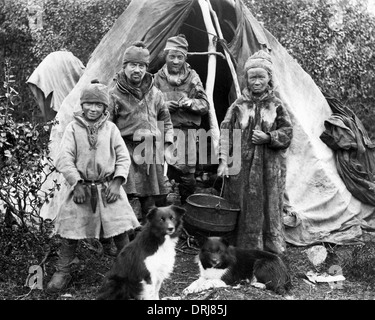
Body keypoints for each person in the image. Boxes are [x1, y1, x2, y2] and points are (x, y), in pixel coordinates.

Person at [46, 79, 140, 294]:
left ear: (105, 108)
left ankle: (126, 274)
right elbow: (64, 158)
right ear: (82, 105)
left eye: (99, 105)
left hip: (109, 187)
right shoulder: (72, 128)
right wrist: (76, 183)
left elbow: (123, 158)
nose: (93, 109)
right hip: (82, 188)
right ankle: (63, 271)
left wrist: (117, 182)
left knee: (120, 229)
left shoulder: (111, 129)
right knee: (70, 232)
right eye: (89, 104)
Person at [217, 50, 293, 254]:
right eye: (253, 77)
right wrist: (224, 161)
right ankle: (243, 247)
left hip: (269, 168)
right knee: (241, 204)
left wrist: (269, 138)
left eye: (261, 77)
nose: (257, 81)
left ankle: (270, 246)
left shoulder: (276, 105)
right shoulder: (238, 106)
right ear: (247, 79)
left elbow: (287, 132)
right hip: (241, 168)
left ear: (269, 78)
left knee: (269, 204)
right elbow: (225, 133)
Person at [108, 41, 174, 220]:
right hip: (126, 149)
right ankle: (126, 236)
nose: (137, 70)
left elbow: (166, 121)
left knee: (150, 197)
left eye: (141, 66)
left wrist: (168, 144)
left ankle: (147, 236)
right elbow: (107, 127)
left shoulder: (155, 94)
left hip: (150, 150)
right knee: (128, 197)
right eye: (132, 65)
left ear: (146, 68)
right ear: (125, 66)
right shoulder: (114, 94)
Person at [154, 34, 209, 204]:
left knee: (188, 178)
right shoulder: (157, 78)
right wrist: (163, 105)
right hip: (162, 132)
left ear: (185, 58)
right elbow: (145, 106)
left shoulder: (193, 78)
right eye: (172, 56)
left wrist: (190, 103)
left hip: (187, 133)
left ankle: (186, 209)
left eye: (180, 57)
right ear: (166, 56)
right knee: (160, 173)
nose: (176, 61)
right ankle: (162, 211)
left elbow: (205, 105)